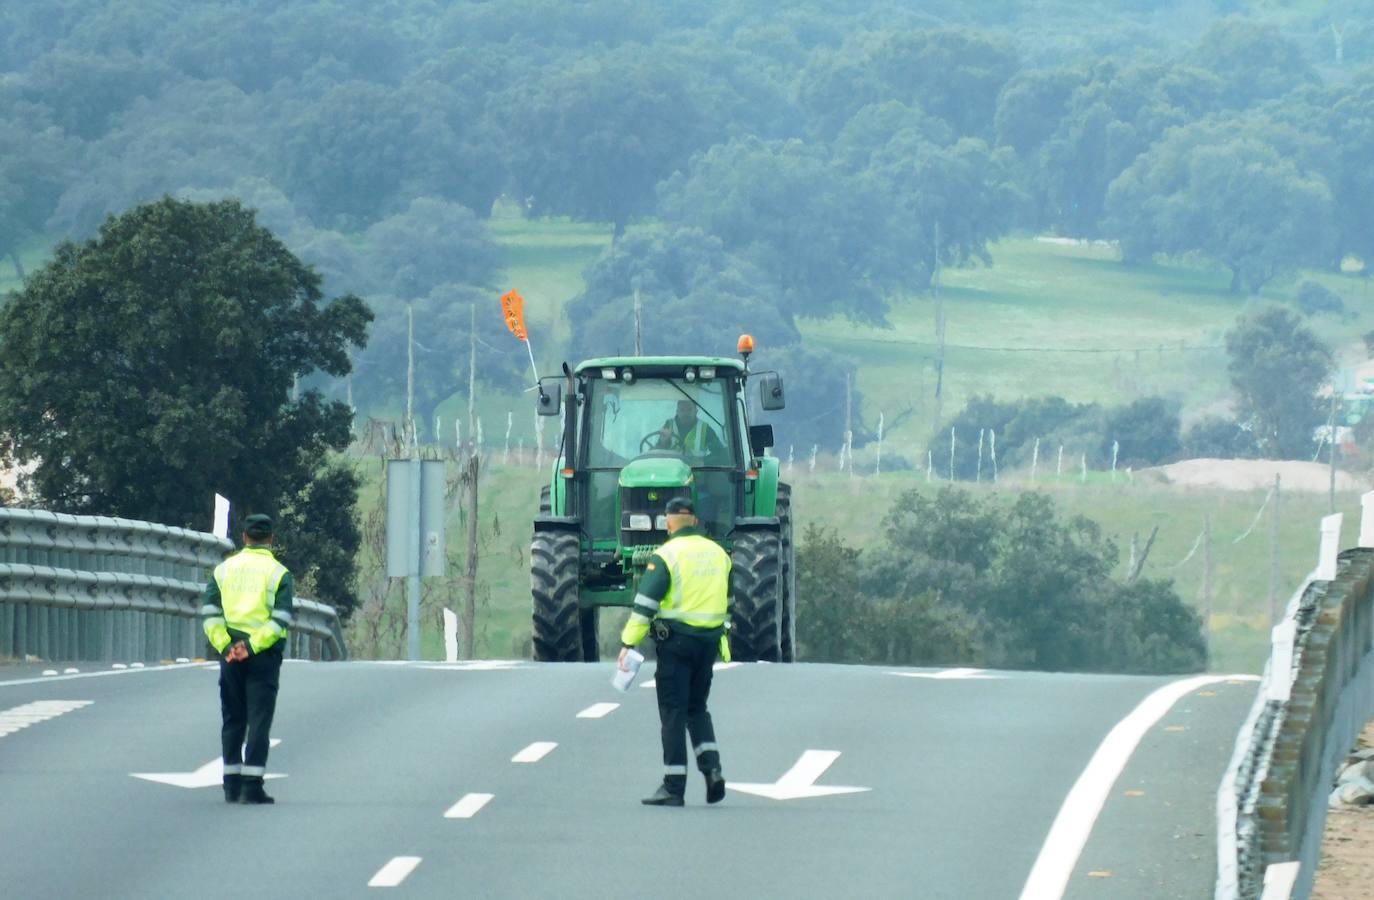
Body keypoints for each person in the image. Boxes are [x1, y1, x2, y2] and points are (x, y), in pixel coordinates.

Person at [618, 496, 731, 807]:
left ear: (668, 522)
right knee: (697, 708)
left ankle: (673, 786)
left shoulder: (666, 555)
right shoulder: (719, 554)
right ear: (694, 520)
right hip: (709, 643)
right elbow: (728, 599)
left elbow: (645, 606)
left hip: (676, 644)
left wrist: (628, 643)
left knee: (673, 713)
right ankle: (712, 771)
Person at [199, 513, 293, 805]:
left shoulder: (224, 570)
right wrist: (251, 647)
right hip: (262, 656)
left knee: (233, 717)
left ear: (244, 538)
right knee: (259, 719)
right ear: (271, 540)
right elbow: (280, 620)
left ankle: (230, 784)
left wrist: (227, 645)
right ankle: (252, 786)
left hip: (230, 654)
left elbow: (210, 613)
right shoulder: (279, 573)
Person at [657, 399, 727, 464]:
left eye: (689, 410)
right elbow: (656, 452)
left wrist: (704, 461)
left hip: (697, 474)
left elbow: (720, 453)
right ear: (677, 411)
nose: (686, 413)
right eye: (682, 410)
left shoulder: (705, 429)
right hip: (673, 474)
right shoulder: (668, 425)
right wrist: (663, 442)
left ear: (696, 411)